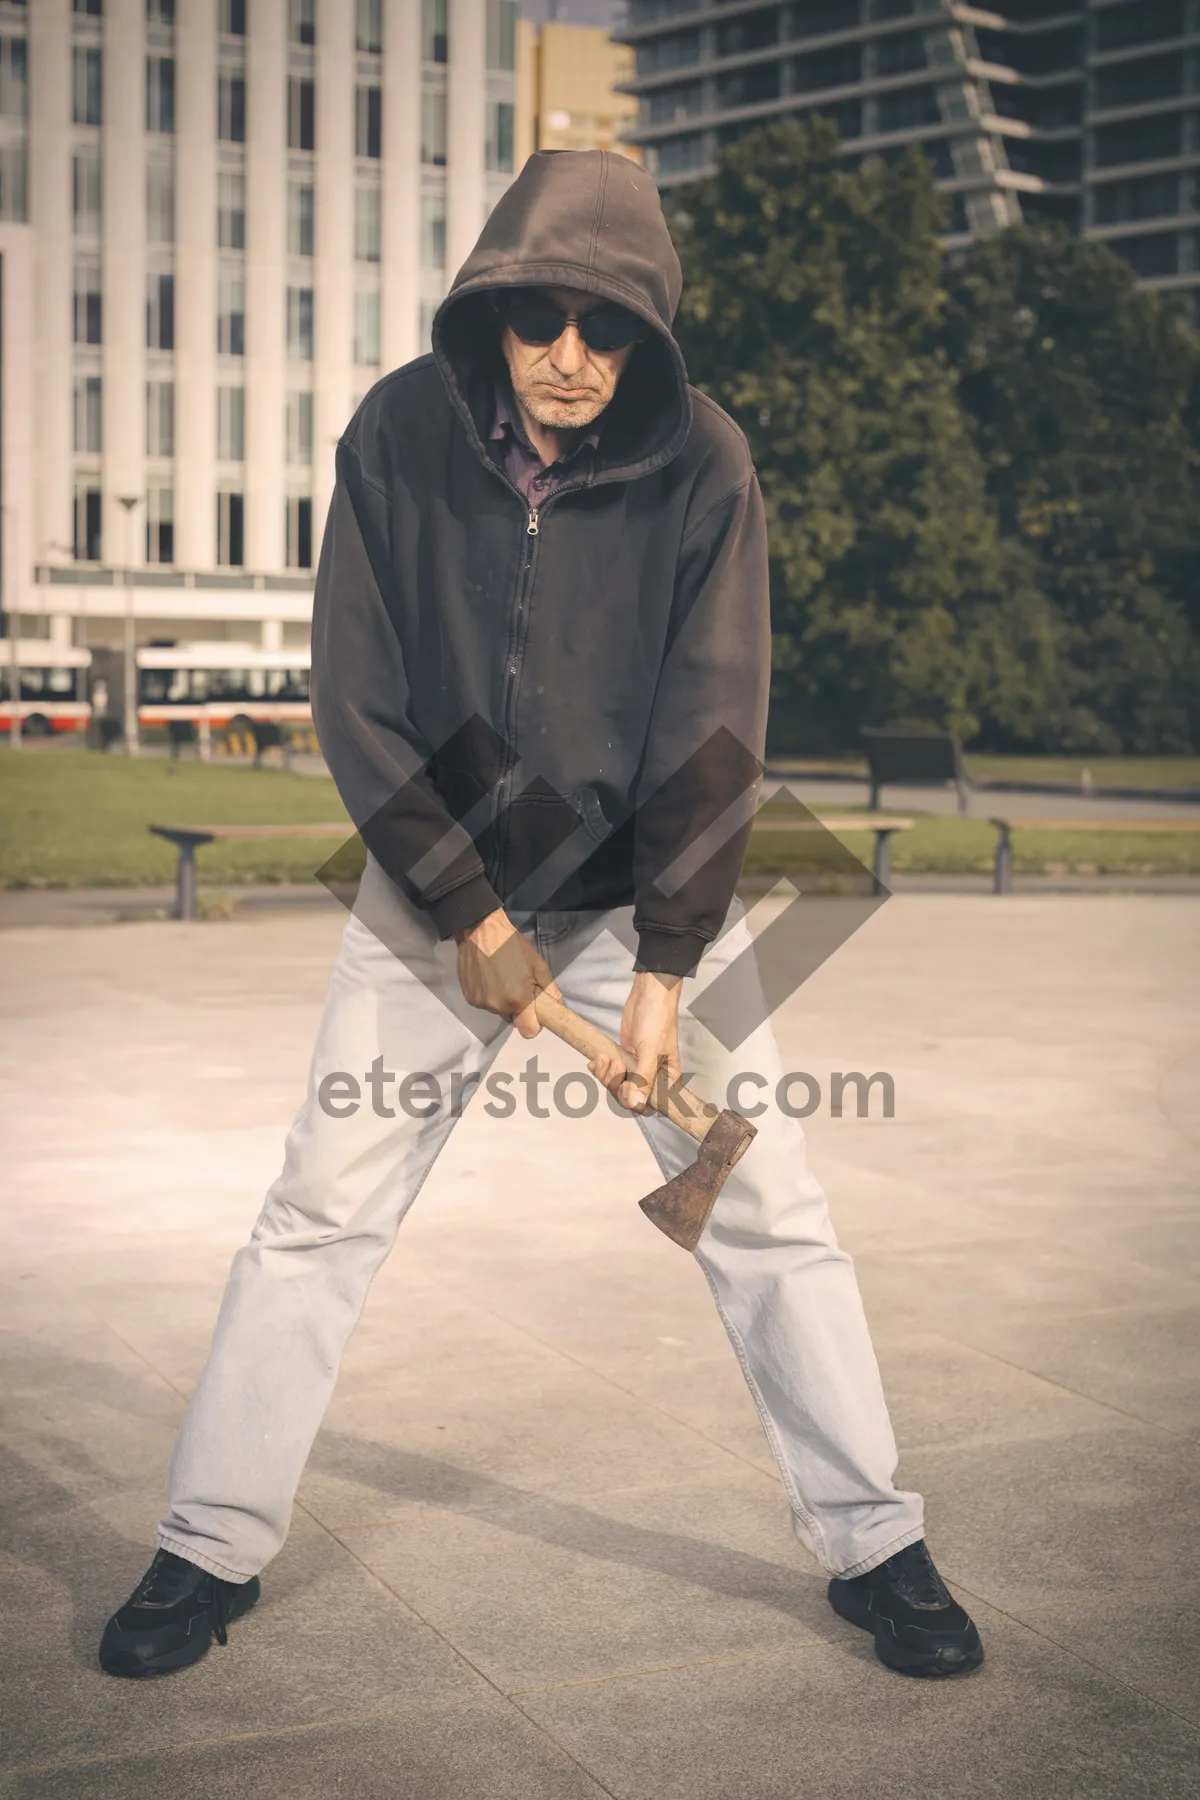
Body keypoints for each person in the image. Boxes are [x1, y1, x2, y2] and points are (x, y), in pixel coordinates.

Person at [100, 150, 982, 1682]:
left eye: (606, 327)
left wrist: (664, 958)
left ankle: (875, 1542)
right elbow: (358, 696)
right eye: (541, 320)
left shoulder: (707, 462)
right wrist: (462, 904)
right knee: (319, 1214)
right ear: (494, 315)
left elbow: (718, 713)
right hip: (438, 884)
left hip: (634, 895)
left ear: (646, 336)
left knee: (771, 1213)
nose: (570, 356)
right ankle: (205, 1546)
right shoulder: (397, 432)